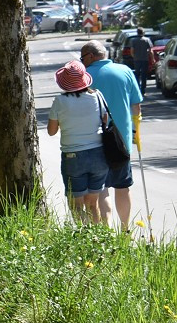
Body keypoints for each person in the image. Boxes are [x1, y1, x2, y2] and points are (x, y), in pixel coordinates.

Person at [80, 41, 143, 231]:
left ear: (91, 56)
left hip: (94, 141)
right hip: (121, 140)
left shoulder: (85, 77)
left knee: (101, 189)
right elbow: (136, 107)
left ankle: (106, 232)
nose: (82, 62)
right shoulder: (125, 71)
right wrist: (135, 132)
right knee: (123, 187)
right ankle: (125, 231)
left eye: (82, 58)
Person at [46, 60, 108, 224]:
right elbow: (105, 121)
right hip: (98, 155)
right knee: (93, 204)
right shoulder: (97, 96)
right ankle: (97, 240)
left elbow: (51, 131)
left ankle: (82, 239)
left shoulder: (60, 102)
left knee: (76, 205)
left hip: (73, 157)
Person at [130, 27, 154, 95]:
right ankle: (143, 90)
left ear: (137, 32)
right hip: (145, 59)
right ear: (143, 32)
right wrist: (152, 59)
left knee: (137, 75)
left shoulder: (133, 40)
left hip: (137, 60)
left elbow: (132, 50)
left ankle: (137, 89)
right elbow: (150, 51)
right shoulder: (147, 40)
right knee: (144, 75)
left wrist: (134, 57)